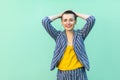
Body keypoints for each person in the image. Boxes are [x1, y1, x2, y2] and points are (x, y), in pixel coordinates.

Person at [42, 10, 95, 80]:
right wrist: (60, 15)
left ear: (75, 21)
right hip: (62, 73)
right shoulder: (58, 36)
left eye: (71, 20)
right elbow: (45, 21)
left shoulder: (80, 35)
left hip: (79, 72)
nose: (68, 23)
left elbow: (91, 19)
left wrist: (75, 13)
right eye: (65, 20)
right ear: (62, 22)